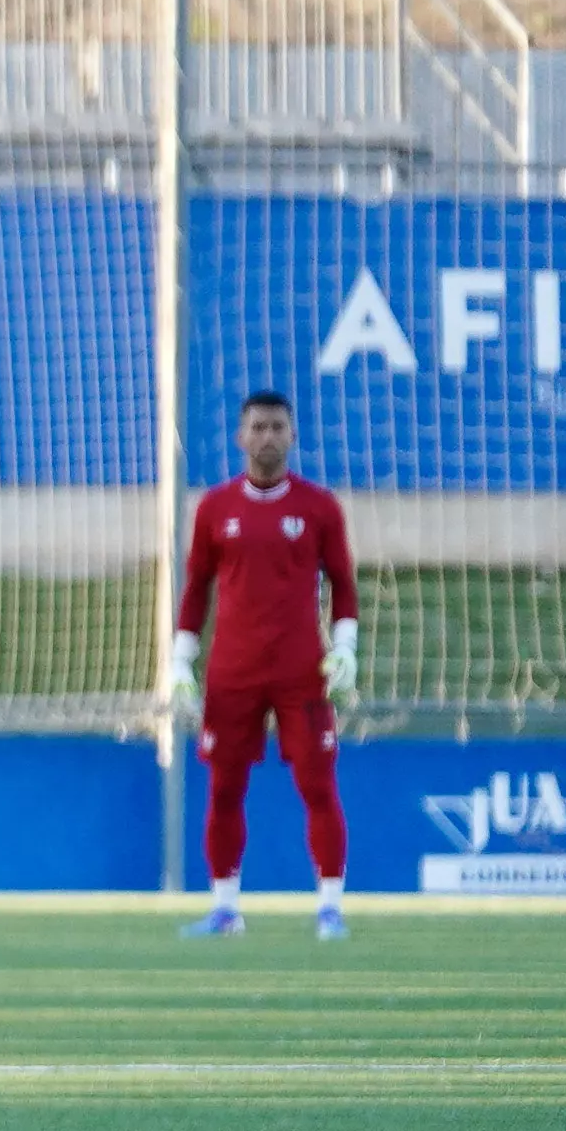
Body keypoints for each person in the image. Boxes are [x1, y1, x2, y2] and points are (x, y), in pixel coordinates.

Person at [174, 387, 359, 943]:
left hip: (302, 672)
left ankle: (329, 907)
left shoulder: (319, 506)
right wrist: (181, 659)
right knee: (224, 789)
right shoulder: (214, 508)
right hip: (232, 672)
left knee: (317, 786)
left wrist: (345, 647)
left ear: (293, 435)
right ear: (240, 437)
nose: (267, 436)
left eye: (277, 426)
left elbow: (344, 586)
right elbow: (196, 588)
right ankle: (225, 909)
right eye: (257, 427)